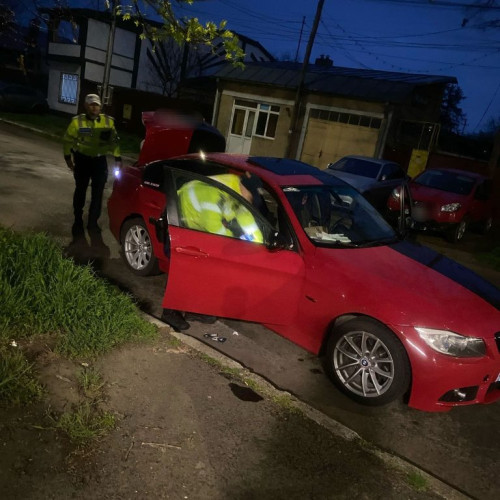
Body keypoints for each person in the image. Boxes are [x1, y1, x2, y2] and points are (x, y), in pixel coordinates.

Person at [161, 172, 264, 331]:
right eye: (250, 196)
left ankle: (193, 310)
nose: (250, 200)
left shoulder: (235, 193)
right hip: (177, 223)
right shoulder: (213, 194)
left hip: (195, 229)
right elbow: (216, 232)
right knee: (181, 270)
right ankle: (169, 312)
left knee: (200, 271)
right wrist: (238, 244)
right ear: (244, 189)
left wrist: (259, 245)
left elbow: (246, 220)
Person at [63, 93, 121, 237]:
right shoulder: (77, 122)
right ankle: (78, 218)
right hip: (82, 160)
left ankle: (93, 222)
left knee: (98, 193)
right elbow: (67, 140)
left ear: (100, 106)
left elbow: (114, 142)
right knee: (80, 190)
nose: (94, 107)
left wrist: (118, 158)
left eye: (97, 105)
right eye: (91, 104)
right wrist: (68, 158)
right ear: (86, 106)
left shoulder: (108, 122)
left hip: (99, 162)